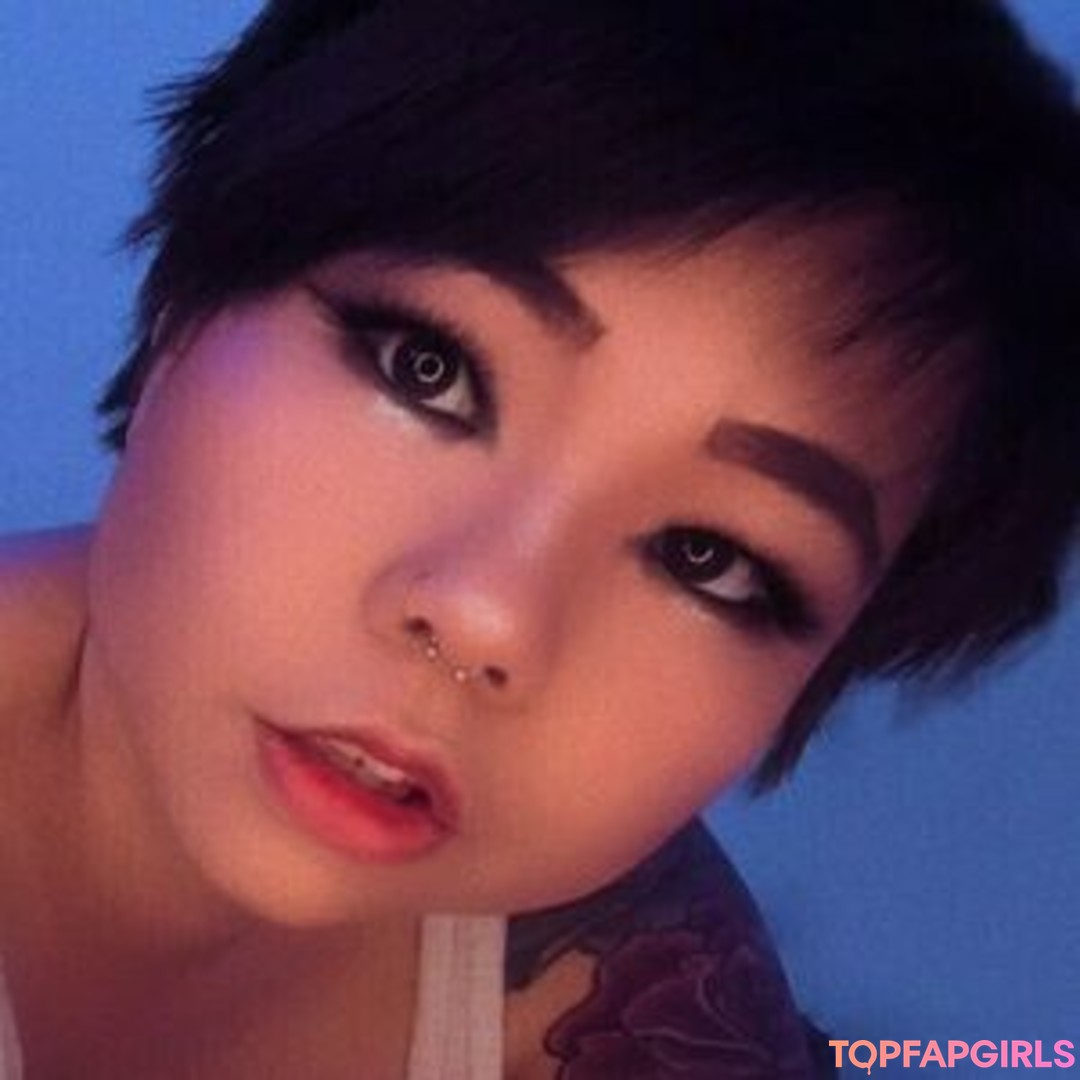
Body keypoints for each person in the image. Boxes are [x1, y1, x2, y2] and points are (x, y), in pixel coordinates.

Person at [2, 1, 1078, 1076]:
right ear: (182, 306)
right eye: (428, 369)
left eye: (707, 559)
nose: (487, 620)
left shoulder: (651, 973)